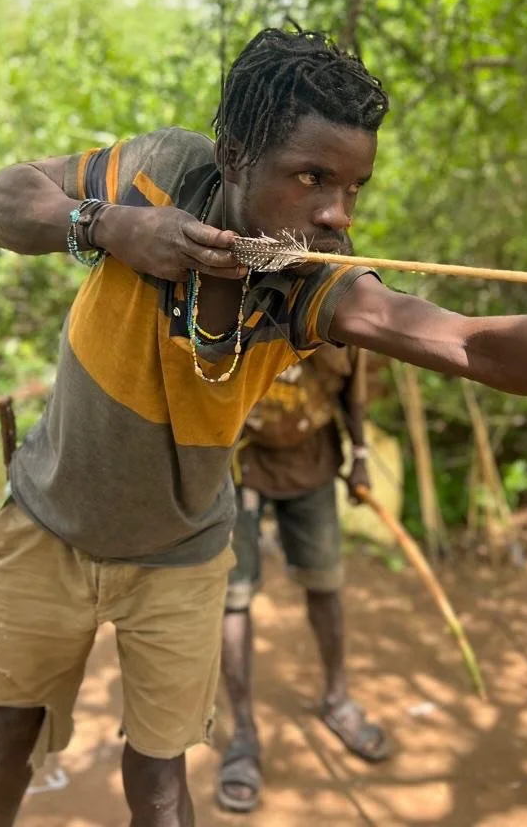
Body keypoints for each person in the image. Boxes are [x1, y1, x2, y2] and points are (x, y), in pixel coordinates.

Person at [0, 26, 527, 827]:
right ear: (232, 158)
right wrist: (108, 226)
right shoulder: (158, 170)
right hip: (50, 519)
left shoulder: (312, 282)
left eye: (353, 188)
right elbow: (0, 200)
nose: (334, 214)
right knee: (13, 725)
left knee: (158, 779)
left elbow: (473, 343)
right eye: (312, 177)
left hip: (179, 552)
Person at [218, 342, 385, 813]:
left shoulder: (336, 275)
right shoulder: (237, 275)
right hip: (240, 463)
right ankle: (244, 734)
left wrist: (361, 455)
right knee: (235, 597)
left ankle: (338, 699)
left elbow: (354, 379)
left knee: (325, 582)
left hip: (312, 460)